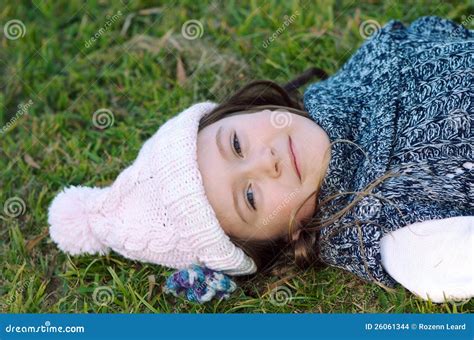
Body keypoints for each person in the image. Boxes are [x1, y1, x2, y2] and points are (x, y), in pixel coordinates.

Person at [48, 16, 473, 303]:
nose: (265, 162)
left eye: (235, 145)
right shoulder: (384, 228)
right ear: (286, 235)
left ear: (240, 111)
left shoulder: (360, 75)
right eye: (250, 196)